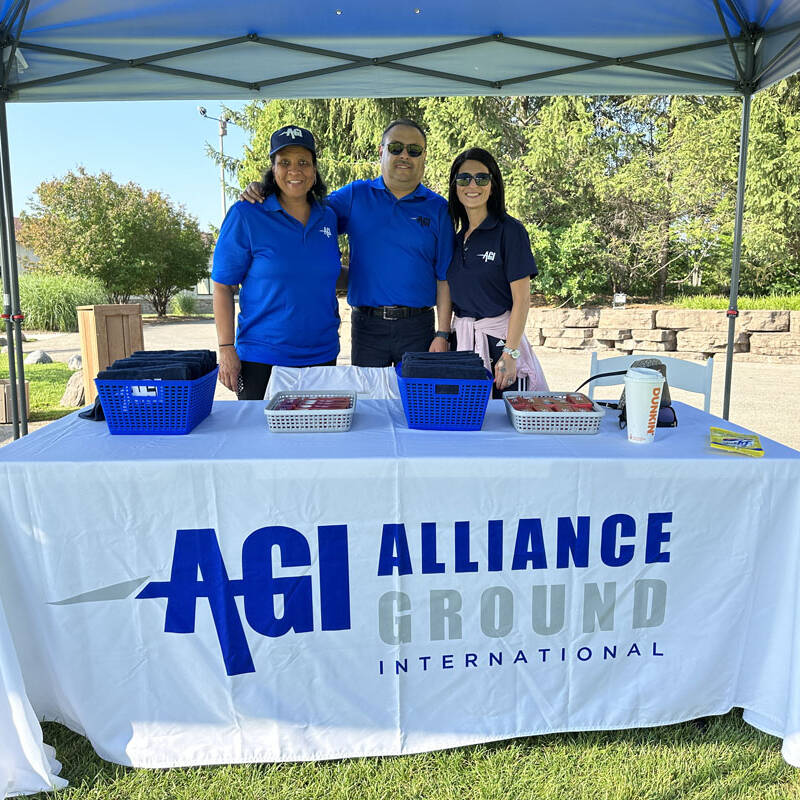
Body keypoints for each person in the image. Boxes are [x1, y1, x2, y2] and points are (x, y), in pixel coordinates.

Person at [242, 119, 455, 366]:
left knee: (418, 403)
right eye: (395, 147)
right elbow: (302, 208)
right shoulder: (355, 195)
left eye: (414, 150)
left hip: (419, 328)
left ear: (424, 156)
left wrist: (442, 333)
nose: (404, 155)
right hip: (368, 328)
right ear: (381, 151)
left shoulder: (439, 208)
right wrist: (267, 188)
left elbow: (444, 278)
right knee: (368, 402)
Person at [212, 125, 341, 400]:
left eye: (303, 162)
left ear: (314, 170)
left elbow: (322, 273)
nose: (295, 170)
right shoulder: (246, 215)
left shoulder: (328, 216)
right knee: (259, 441)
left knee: (319, 440)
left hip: (323, 356)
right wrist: (225, 348)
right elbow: (222, 285)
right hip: (262, 359)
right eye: (284, 162)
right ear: (273, 168)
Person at [444, 147, 548, 398]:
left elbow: (522, 300)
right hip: (463, 345)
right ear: (455, 186)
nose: (472, 185)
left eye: (482, 178)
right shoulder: (455, 239)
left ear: (493, 185)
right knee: (464, 423)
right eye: (463, 178)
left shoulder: (510, 232)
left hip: (500, 346)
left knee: (505, 428)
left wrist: (510, 354)